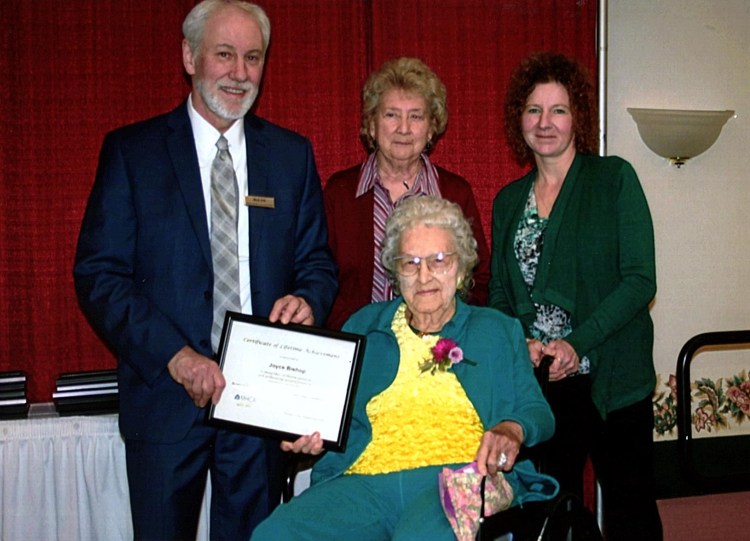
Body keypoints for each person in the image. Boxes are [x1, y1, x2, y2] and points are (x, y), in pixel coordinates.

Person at [73, 1, 337, 539]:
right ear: (190, 57)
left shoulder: (291, 156)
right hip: (165, 397)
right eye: (225, 55)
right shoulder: (133, 153)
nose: (240, 73)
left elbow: (317, 263)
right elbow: (100, 276)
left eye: (253, 57)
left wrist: (308, 298)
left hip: (261, 400)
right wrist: (175, 356)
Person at [251, 195, 557, 540]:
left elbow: (537, 411)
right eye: (410, 263)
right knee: (276, 533)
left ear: (461, 266)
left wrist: (512, 429)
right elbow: (328, 416)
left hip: (458, 477)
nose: (424, 275)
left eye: (438, 260)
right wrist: (313, 437)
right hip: (363, 482)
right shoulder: (363, 326)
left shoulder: (497, 330)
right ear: (396, 271)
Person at [489, 51, 663, 540]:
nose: (545, 123)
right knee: (550, 512)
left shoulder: (614, 179)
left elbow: (639, 279)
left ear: (577, 117)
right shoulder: (507, 200)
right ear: (518, 119)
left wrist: (577, 342)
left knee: (631, 510)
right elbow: (501, 291)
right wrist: (520, 340)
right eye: (533, 110)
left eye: (558, 110)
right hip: (544, 383)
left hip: (611, 378)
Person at [323, 57, 490, 330]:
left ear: (431, 127)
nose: (403, 128)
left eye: (415, 116)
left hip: (437, 351)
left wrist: (448, 334)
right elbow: (322, 276)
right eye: (391, 115)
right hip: (361, 345)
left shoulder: (454, 193)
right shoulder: (339, 193)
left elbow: (479, 280)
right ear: (372, 125)